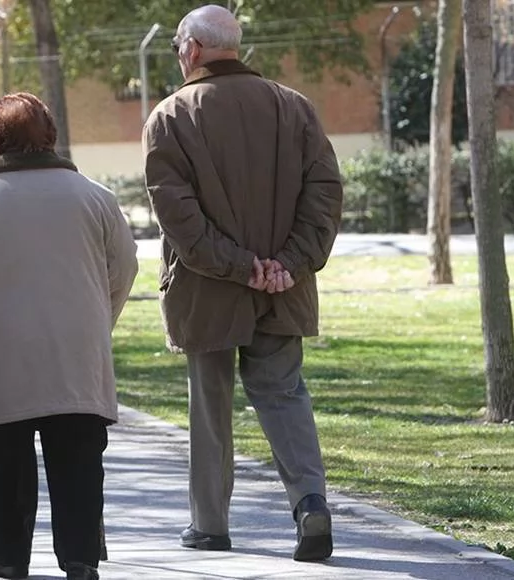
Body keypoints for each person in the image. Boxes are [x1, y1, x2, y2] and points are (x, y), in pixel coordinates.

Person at [142, 5, 344, 562]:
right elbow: (325, 195)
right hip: (284, 287)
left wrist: (239, 265)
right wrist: (287, 263)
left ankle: (210, 525)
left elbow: (178, 216)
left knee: (210, 405)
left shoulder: (170, 116)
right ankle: (310, 503)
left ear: (191, 49)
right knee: (284, 395)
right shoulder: (293, 107)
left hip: (208, 289)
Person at [0, 93, 139, 580]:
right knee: (80, 463)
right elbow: (125, 266)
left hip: (2, 351)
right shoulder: (95, 196)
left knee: (2, 461)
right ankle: (80, 556)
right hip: (77, 352)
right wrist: (97, 319)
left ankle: (7, 555)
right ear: (51, 137)